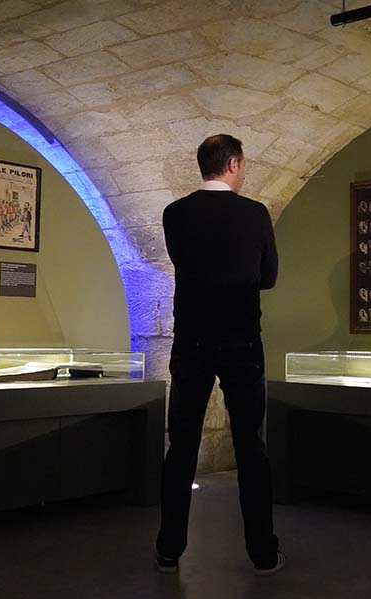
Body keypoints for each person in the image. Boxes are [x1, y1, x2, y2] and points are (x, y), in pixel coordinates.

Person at [157, 134, 284, 576]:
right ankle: (262, 552)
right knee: (250, 446)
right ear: (232, 164)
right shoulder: (254, 214)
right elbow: (268, 277)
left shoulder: (175, 213)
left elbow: (184, 263)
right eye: (243, 164)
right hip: (241, 341)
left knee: (182, 445)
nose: (244, 172)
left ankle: (169, 549)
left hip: (191, 341)